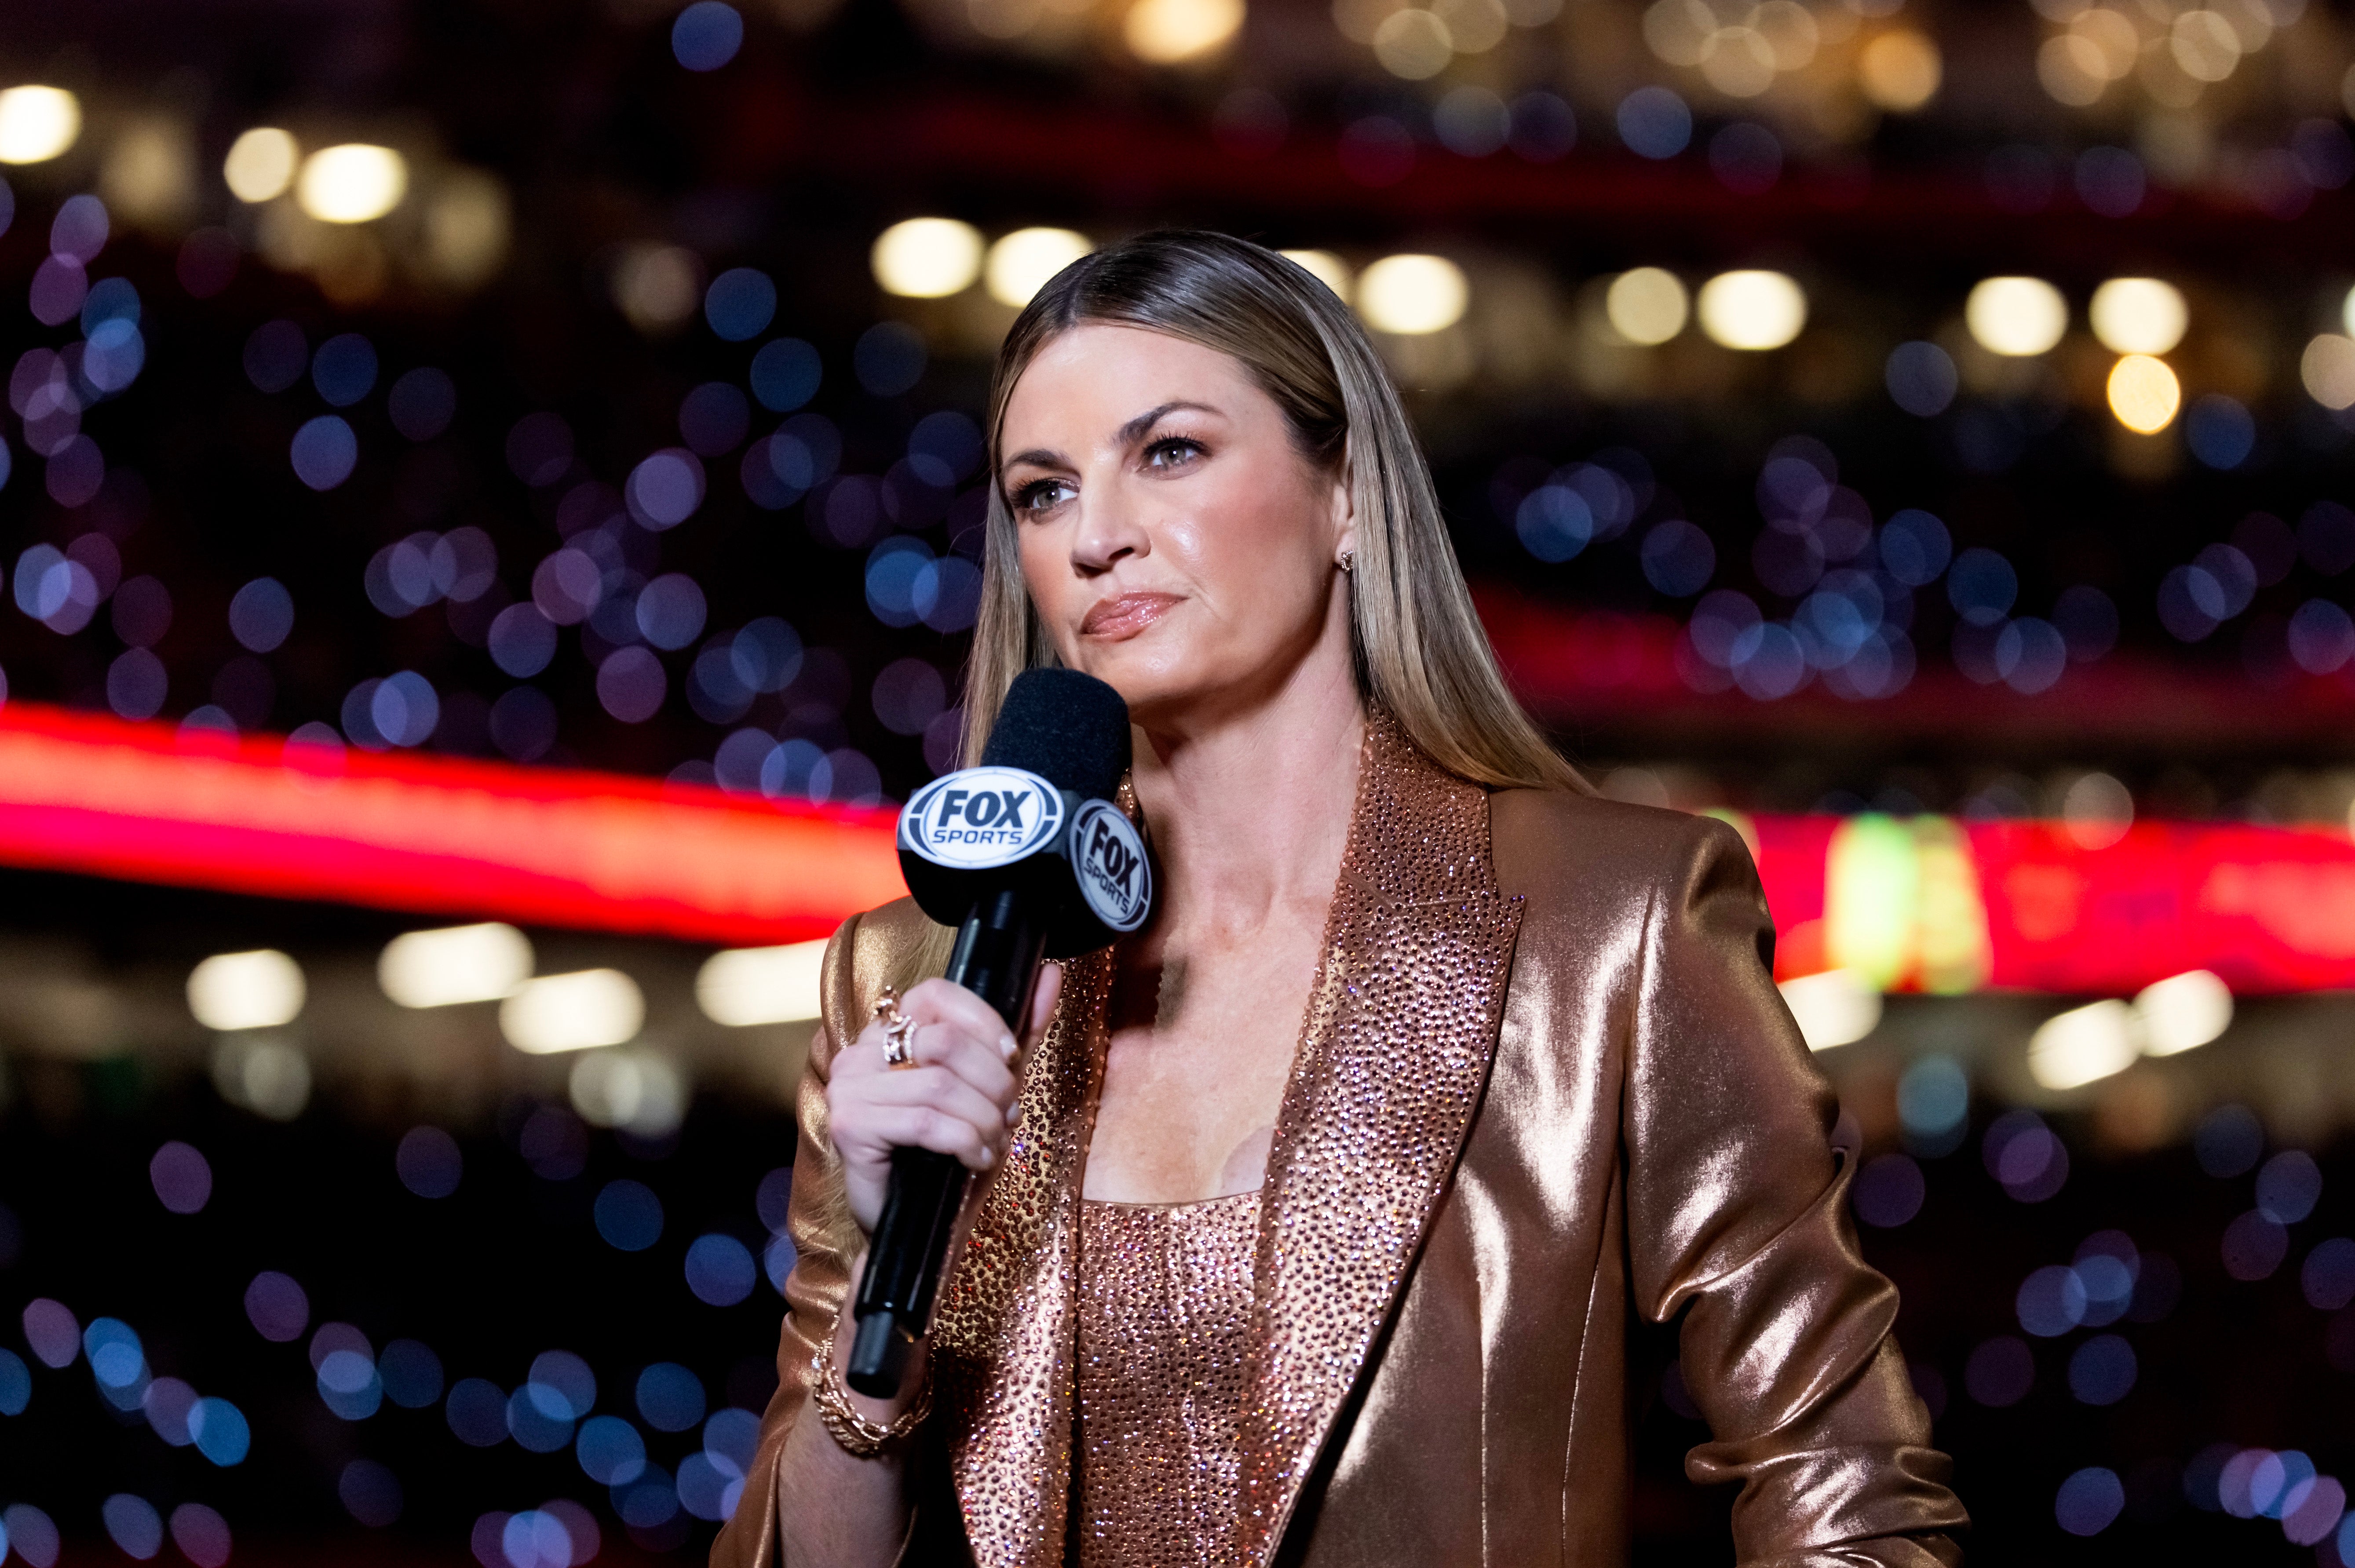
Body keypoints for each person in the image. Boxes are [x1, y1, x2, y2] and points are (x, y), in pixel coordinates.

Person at [712, 230, 1966, 1568]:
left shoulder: (1614, 925)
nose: (1096, 537)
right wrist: (881, 1315)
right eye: (1040, 491)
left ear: (1349, 498)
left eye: (1170, 453)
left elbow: (1850, 1498)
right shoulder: (908, 981)